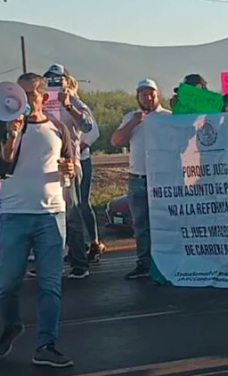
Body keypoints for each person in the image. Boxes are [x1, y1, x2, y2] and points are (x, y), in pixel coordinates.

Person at [0, 73, 75, 367]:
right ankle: (12, 324)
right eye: (20, 93)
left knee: (50, 285)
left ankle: (47, 344)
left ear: (43, 98)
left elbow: (69, 168)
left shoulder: (57, 128)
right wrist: (12, 135)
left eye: (31, 94)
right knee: (5, 285)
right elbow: (4, 166)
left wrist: (69, 169)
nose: (25, 99)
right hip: (14, 215)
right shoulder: (5, 127)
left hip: (51, 215)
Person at [111, 79, 171, 279]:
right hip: (138, 178)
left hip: (162, 179)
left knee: (164, 221)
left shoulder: (168, 117)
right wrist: (133, 124)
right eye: (143, 94)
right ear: (138, 97)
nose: (148, 97)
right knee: (141, 224)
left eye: (151, 93)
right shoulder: (131, 117)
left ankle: (165, 261)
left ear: (158, 95)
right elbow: (116, 140)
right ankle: (143, 263)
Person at [43, 64, 95, 280]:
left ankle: (79, 264)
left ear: (66, 80)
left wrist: (69, 106)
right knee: (47, 215)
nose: (53, 82)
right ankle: (51, 263)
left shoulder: (74, 101)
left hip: (69, 165)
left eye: (58, 78)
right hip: (44, 166)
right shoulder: (43, 99)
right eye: (49, 79)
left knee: (72, 215)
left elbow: (88, 127)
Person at [67, 76, 106, 263]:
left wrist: (77, 148)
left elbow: (93, 131)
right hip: (63, 162)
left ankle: (94, 242)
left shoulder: (78, 105)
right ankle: (75, 247)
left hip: (80, 160)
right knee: (67, 206)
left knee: (82, 203)